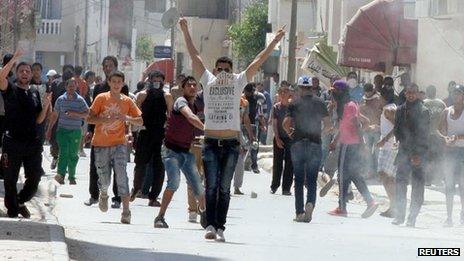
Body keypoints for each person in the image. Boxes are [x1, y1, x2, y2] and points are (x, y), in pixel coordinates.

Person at [179, 16, 284, 242]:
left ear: (232, 70)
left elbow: (257, 60)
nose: (224, 72)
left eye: (227, 69)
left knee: (225, 188)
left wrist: (274, 42)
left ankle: (220, 227)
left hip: (231, 143)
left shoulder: (238, 81)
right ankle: (209, 224)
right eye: (220, 69)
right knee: (211, 185)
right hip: (210, 143)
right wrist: (185, 30)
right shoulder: (207, 80)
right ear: (215, 70)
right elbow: (195, 55)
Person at [0, 49, 51, 218]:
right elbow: (1, 77)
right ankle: (13, 209)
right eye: (21, 70)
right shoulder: (10, 89)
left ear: (31, 75)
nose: (24, 73)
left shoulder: (35, 93)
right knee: (10, 180)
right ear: (16, 73)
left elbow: (38, 120)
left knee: (35, 178)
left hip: (32, 143)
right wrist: (14, 58)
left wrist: (46, 106)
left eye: (27, 71)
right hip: (12, 141)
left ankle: (20, 201)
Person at [87, 71, 143, 224]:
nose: (117, 84)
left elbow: (140, 120)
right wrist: (104, 119)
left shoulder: (127, 101)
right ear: (109, 83)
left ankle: (126, 211)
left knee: (122, 176)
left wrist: (127, 118)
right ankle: (103, 193)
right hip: (100, 144)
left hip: (119, 144)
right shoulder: (101, 98)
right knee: (104, 178)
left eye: (120, 82)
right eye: (114, 81)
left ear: (123, 84)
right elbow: (89, 118)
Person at [154, 76, 206, 228]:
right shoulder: (181, 102)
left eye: (194, 85)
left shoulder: (195, 105)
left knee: (198, 186)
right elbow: (190, 117)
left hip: (186, 151)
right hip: (171, 151)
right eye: (188, 85)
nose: (192, 87)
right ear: (183, 88)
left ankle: (204, 214)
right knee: (174, 182)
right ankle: (160, 217)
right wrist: (205, 128)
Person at [283, 76, 332, 222]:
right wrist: (320, 134)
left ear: (299, 88)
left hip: (298, 142)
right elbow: (328, 124)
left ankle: (299, 213)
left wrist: (291, 134)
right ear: (312, 87)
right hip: (315, 143)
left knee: (298, 179)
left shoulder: (294, 103)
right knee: (311, 179)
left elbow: (286, 123)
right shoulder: (320, 102)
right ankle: (310, 202)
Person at [327, 80, 379, 218]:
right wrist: (335, 140)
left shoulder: (349, 106)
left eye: (335, 90)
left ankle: (342, 207)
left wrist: (362, 143)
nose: (333, 93)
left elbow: (356, 124)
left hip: (349, 145)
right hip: (348, 143)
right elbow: (346, 126)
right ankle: (370, 202)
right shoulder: (346, 105)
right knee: (354, 175)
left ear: (342, 91)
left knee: (343, 176)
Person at [84, 56, 123, 208]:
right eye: (105, 66)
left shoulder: (122, 88)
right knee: (95, 165)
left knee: (117, 167)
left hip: (117, 135)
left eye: (111, 66)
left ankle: (117, 198)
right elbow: (93, 113)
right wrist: (89, 130)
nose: (108, 68)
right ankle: (94, 195)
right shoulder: (99, 88)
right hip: (99, 134)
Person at [131, 70, 173, 207]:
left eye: (160, 79)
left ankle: (153, 196)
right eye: (155, 78)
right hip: (145, 133)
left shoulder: (167, 96)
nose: (157, 81)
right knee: (140, 164)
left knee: (159, 167)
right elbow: (134, 114)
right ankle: (136, 189)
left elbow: (171, 116)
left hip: (160, 135)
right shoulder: (142, 95)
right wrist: (133, 132)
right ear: (149, 80)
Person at [392, 83, 430, 227]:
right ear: (405, 93)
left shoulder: (423, 110)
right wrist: (399, 141)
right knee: (400, 182)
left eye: (413, 92)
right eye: (408, 92)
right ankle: (400, 216)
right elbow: (397, 128)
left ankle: (412, 217)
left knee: (417, 185)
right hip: (403, 151)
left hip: (418, 153)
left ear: (417, 94)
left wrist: (417, 154)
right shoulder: (400, 109)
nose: (411, 95)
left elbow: (423, 134)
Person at [46, 78, 89, 185]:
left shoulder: (80, 100)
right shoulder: (60, 100)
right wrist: (49, 129)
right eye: (69, 86)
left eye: (73, 86)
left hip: (75, 132)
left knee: (73, 154)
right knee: (63, 152)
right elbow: (55, 115)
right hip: (62, 131)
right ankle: (60, 175)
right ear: (66, 87)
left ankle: (72, 176)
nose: (71, 88)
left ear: (76, 87)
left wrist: (75, 114)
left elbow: (87, 114)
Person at [438, 84, 464, 227]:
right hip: (449, 153)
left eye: (459, 93)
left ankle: (462, 214)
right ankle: (448, 217)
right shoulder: (446, 111)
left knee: (462, 185)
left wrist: (457, 137)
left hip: (463, 152)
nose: (455, 95)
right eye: (454, 93)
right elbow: (439, 130)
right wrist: (445, 138)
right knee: (449, 185)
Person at [376, 87, 398, 218]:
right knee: (386, 176)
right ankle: (394, 205)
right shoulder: (390, 108)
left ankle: (394, 206)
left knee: (385, 176)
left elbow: (397, 126)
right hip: (389, 146)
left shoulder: (388, 109)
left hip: (389, 147)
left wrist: (384, 139)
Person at [49, 64, 75, 170]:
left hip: (71, 117)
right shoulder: (56, 83)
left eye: (70, 71)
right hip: (57, 116)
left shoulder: (74, 84)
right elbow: (52, 99)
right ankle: (55, 157)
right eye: (66, 71)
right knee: (55, 139)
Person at [270, 81, 293, 195]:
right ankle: (274, 185)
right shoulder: (276, 107)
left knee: (290, 163)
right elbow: (274, 124)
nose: (283, 94)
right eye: (281, 92)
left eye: (285, 91)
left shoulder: (293, 107)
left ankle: (286, 188)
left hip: (290, 138)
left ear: (289, 94)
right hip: (279, 137)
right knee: (277, 162)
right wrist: (277, 138)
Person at [423, 85, 446, 186]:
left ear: (427, 92)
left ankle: (428, 180)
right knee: (439, 158)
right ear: (435, 92)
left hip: (427, 135)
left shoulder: (423, 103)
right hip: (439, 135)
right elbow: (446, 118)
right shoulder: (441, 104)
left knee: (427, 158)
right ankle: (438, 180)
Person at [233, 95, 255, 195]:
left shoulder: (244, 102)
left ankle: (237, 187)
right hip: (228, 131)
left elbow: (246, 119)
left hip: (238, 131)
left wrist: (251, 134)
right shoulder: (228, 99)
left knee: (240, 161)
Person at [360, 83, 383, 179]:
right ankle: (370, 172)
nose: (368, 94)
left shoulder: (379, 99)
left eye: (369, 91)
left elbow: (383, 114)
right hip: (367, 129)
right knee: (368, 152)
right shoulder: (363, 99)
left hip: (377, 129)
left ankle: (379, 173)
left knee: (378, 152)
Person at [243, 83, 267, 174]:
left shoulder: (258, 99)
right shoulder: (242, 99)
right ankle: (242, 163)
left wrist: (263, 125)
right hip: (242, 125)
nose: (249, 94)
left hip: (253, 125)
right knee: (243, 144)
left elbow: (260, 114)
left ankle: (254, 164)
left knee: (254, 145)